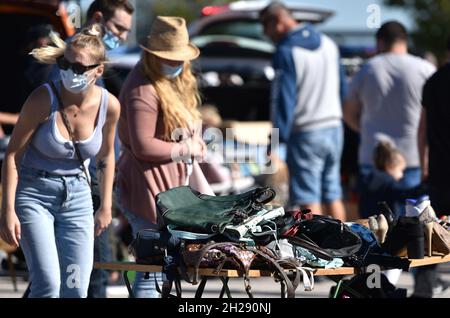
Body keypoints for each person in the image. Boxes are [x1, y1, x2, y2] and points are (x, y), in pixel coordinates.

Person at [0, 24, 120, 298]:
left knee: (76, 288)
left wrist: (105, 206)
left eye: (79, 68)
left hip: (78, 197)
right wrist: (8, 210)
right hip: (35, 195)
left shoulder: (109, 105)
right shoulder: (43, 98)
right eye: (65, 63)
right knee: (48, 285)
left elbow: (106, 154)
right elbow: (13, 155)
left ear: (98, 71)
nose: (69, 71)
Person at [48, 0, 134, 298]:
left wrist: (107, 199)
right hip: (73, 183)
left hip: (91, 181)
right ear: (98, 18)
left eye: (126, 31)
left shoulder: (95, 67)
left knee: (64, 275)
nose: (122, 37)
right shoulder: (71, 62)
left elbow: (106, 148)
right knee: (90, 271)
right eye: (118, 28)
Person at [116, 16, 206, 298]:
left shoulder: (177, 83)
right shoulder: (141, 88)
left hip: (169, 192)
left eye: (179, 58)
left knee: (162, 269)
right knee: (151, 271)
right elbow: (143, 146)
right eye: (170, 58)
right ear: (152, 55)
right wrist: (185, 149)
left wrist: (196, 143)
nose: (177, 63)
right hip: (147, 191)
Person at [259, 2, 347, 220]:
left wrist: (276, 143)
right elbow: (344, 90)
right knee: (333, 193)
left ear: (278, 20)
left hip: (307, 132)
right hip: (335, 128)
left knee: (309, 197)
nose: (265, 33)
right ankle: (350, 245)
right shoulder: (329, 43)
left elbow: (282, 102)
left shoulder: (286, 51)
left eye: (265, 27)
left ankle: (318, 252)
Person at [343, 21, 436, 218]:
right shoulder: (425, 69)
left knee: (374, 228)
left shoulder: (368, 69)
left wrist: (364, 130)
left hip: (373, 157)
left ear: (380, 42)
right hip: (412, 158)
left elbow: (348, 111)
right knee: (412, 230)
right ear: (405, 40)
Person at [414, 40, 450, 298]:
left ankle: (425, 288)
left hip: (439, 167)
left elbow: (423, 129)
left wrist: (422, 162)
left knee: (433, 229)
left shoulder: (434, 81)